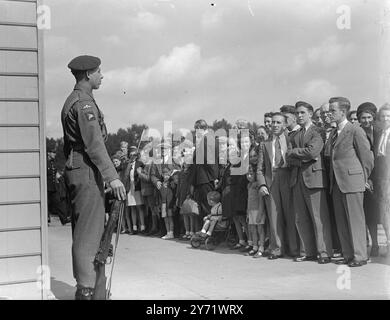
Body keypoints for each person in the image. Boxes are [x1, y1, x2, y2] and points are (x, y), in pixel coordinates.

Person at [61, 55, 126, 300]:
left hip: (81, 167)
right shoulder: (84, 103)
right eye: (99, 72)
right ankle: (87, 291)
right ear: (88, 74)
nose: (102, 76)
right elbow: (95, 144)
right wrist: (113, 177)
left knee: (92, 230)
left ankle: (93, 290)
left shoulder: (76, 100)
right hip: (86, 168)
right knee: (89, 234)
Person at [327, 97, 374, 267]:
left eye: (332, 111)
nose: (329, 114)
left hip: (352, 181)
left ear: (343, 112)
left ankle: (360, 256)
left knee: (355, 220)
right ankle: (348, 254)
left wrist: (362, 178)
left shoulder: (355, 130)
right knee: (341, 221)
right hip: (337, 183)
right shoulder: (333, 133)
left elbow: (367, 158)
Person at [287, 101, 333, 264]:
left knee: (319, 217)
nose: (299, 116)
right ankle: (307, 251)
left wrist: (294, 152)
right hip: (297, 178)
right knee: (301, 218)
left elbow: (313, 151)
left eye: (302, 113)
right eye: (297, 113)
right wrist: (300, 156)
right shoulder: (295, 134)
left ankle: (324, 252)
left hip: (315, 179)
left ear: (311, 114)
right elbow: (289, 158)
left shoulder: (318, 131)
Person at [257, 112, 300, 259]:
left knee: (291, 214)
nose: (274, 125)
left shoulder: (291, 139)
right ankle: (276, 249)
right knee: (274, 216)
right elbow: (260, 168)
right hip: (272, 180)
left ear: (285, 124)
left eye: (278, 123)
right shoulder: (265, 144)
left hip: (288, 178)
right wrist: (262, 184)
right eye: (273, 122)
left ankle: (294, 249)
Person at [356, 102, 380, 257]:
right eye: (363, 118)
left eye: (369, 117)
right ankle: (373, 244)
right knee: (369, 214)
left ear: (374, 117)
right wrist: (365, 178)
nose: (366, 121)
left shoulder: (380, 132)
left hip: (380, 176)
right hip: (364, 177)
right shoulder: (357, 132)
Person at [188, 120, 219, 232]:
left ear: (201, 128)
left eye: (196, 129)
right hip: (204, 179)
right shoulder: (205, 140)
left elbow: (210, 160)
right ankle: (205, 231)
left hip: (206, 179)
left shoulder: (207, 139)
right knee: (206, 208)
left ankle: (208, 232)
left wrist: (215, 177)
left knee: (207, 208)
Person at [374, 103, 390, 255]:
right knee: (384, 211)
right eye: (383, 116)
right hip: (382, 178)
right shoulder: (380, 133)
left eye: (388, 116)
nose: (385, 119)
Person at [123, 146, 146, 234]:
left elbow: (143, 172)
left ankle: (142, 227)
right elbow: (125, 175)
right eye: (131, 155)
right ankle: (134, 227)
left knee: (139, 207)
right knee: (132, 207)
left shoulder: (140, 163)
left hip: (137, 186)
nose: (133, 156)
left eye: (134, 155)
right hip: (129, 186)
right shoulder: (127, 164)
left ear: (137, 155)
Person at [246, 163, 266, 258]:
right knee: (253, 230)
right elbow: (248, 200)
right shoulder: (249, 185)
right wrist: (247, 212)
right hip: (251, 211)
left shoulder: (258, 185)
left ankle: (261, 248)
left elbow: (261, 200)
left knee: (260, 229)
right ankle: (254, 247)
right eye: (247, 174)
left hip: (258, 210)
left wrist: (261, 213)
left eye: (251, 173)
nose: (249, 176)